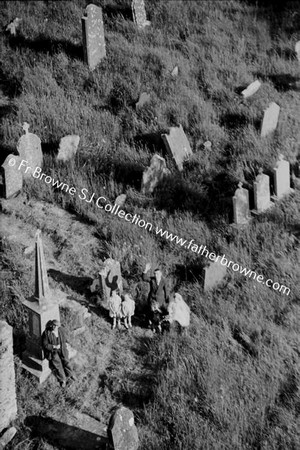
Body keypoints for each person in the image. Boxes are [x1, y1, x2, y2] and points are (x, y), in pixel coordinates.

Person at [42, 319, 75, 388]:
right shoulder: (46, 333)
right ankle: (62, 379)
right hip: (53, 351)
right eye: (53, 325)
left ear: (58, 326)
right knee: (57, 365)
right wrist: (54, 346)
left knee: (66, 361)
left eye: (56, 326)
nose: (54, 327)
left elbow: (65, 339)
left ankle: (70, 374)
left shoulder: (61, 331)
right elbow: (45, 345)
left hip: (62, 349)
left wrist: (66, 344)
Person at [142, 263, 170, 329]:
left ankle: (158, 325)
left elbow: (166, 290)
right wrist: (146, 270)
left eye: (157, 274)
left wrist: (167, 300)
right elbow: (144, 278)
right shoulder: (152, 280)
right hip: (152, 299)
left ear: (160, 274)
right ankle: (150, 324)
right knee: (151, 312)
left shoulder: (164, 281)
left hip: (160, 299)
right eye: (155, 274)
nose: (156, 275)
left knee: (159, 312)